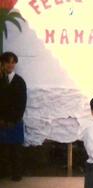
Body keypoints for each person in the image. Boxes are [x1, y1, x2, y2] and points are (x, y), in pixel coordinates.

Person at [0, 52, 27, 181]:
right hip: (1, 121)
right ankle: (3, 173)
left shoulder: (20, 81)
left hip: (15, 121)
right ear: (3, 64)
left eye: (12, 62)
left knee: (16, 149)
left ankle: (17, 174)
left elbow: (22, 103)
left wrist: (14, 120)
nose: (10, 65)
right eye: (7, 62)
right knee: (3, 150)